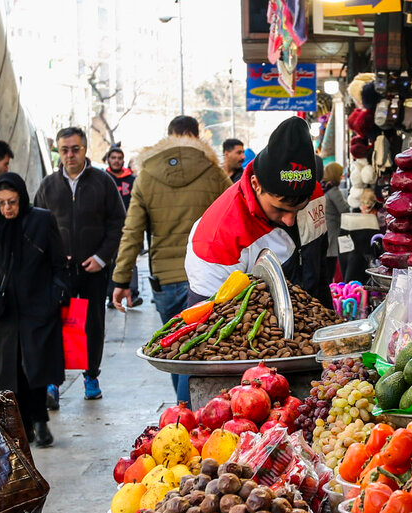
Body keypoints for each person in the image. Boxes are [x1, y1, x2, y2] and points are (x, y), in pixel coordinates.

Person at [110, 115, 231, 404]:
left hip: (165, 280)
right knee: (198, 349)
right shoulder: (214, 172)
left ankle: (181, 411)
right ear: (196, 136)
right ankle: (187, 412)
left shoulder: (147, 176)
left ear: (168, 137)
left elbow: (132, 232)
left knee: (176, 348)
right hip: (207, 277)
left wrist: (121, 278)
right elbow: (234, 216)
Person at [184, 115, 328, 303]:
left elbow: (319, 264)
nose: (289, 220)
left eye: (299, 208)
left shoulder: (313, 193)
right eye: (279, 209)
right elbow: (207, 319)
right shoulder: (216, 238)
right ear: (256, 184)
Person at [0, 173, 67, 447]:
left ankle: (40, 422)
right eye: (1, 203)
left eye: (12, 202)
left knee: (34, 371)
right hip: (2, 314)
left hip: (37, 308)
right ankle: (21, 428)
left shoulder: (41, 220)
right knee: (7, 373)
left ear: (22, 198)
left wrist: (55, 295)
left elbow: (59, 262)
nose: (7, 208)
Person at [34, 127, 125, 401]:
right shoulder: (48, 186)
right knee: (55, 323)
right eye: (64, 150)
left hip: (93, 271)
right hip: (59, 272)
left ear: (85, 150)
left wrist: (101, 258)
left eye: (75, 149)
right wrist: (51, 259)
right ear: (58, 152)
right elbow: (37, 227)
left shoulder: (103, 182)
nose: (70, 155)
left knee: (92, 324)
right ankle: (53, 381)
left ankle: (91, 376)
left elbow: (117, 223)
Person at [103, 145, 141, 309]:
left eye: (119, 158)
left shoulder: (131, 180)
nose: (116, 161)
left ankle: (133, 293)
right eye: (113, 158)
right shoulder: (103, 179)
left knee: (129, 258)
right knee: (111, 261)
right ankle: (112, 294)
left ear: (123, 160)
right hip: (109, 227)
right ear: (108, 160)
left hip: (129, 225)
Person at [339, 187, 380, 284]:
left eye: (368, 206)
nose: (364, 208)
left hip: (361, 258)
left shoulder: (376, 217)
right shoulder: (356, 216)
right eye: (363, 205)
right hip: (356, 257)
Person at [320, 161, 348, 293]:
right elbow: (344, 209)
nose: (342, 176)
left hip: (325, 229)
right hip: (333, 232)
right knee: (331, 264)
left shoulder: (324, 186)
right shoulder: (333, 190)